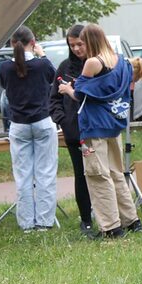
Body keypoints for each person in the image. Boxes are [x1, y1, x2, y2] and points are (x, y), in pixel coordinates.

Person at [59, 23, 142, 239]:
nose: (78, 48)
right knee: (116, 172)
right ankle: (131, 220)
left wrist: (68, 89)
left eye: (81, 42)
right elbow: (103, 88)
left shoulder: (92, 62)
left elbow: (81, 95)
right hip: (113, 124)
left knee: (98, 175)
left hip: (93, 127)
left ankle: (111, 227)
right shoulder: (120, 60)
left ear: (89, 41)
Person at [0, 26, 58, 232]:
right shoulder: (42, 65)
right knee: (45, 173)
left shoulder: (5, 68)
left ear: (12, 43)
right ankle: (44, 221)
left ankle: (26, 223)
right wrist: (42, 54)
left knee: (23, 176)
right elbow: (54, 78)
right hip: (42, 120)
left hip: (18, 124)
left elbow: (6, 87)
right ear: (33, 43)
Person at [49, 24, 93, 234]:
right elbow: (54, 99)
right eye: (72, 45)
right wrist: (63, 120)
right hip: (74, 133)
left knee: (103, 173)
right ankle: (86, 219)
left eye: (80, 44)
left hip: (97, 129)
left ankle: (109, 215)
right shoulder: (65, 67)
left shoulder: (97, 64)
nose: (76, 49)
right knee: (81, 175)